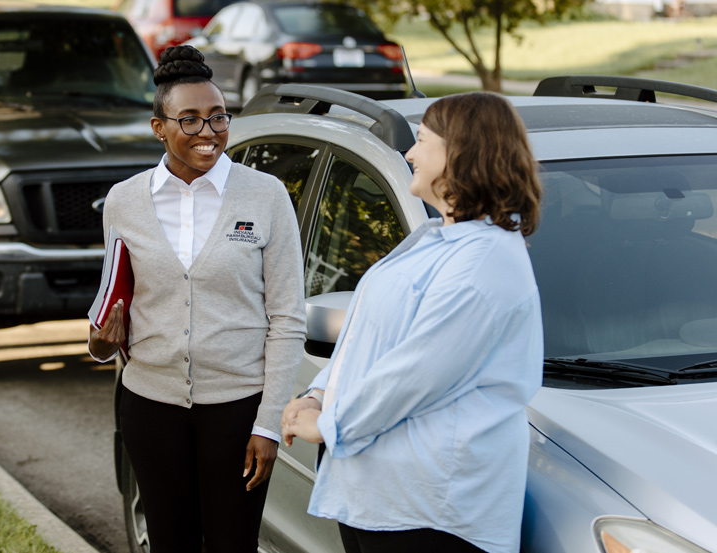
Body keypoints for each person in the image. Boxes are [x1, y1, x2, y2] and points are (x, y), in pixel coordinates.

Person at [282, 92, 543, 553]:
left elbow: (417, 372)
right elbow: (372, 337)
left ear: (460, 155)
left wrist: (329, 424)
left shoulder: (486, 262)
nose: (409, 154)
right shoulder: (439, 239)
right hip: (382, 501)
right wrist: (318, 393)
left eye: (422, 140)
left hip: (430, 515)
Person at [88, 45, 306, 553]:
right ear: (158, 127)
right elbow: (111, 306)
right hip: (149, 407)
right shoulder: (124, 201)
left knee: (233, 544)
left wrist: (268, 424)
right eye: (189, 120)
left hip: (237, 411)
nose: (209, 133)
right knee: (169, 543)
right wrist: (100, 342)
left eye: (218, 117)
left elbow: (288, 319)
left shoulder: (266, 195)